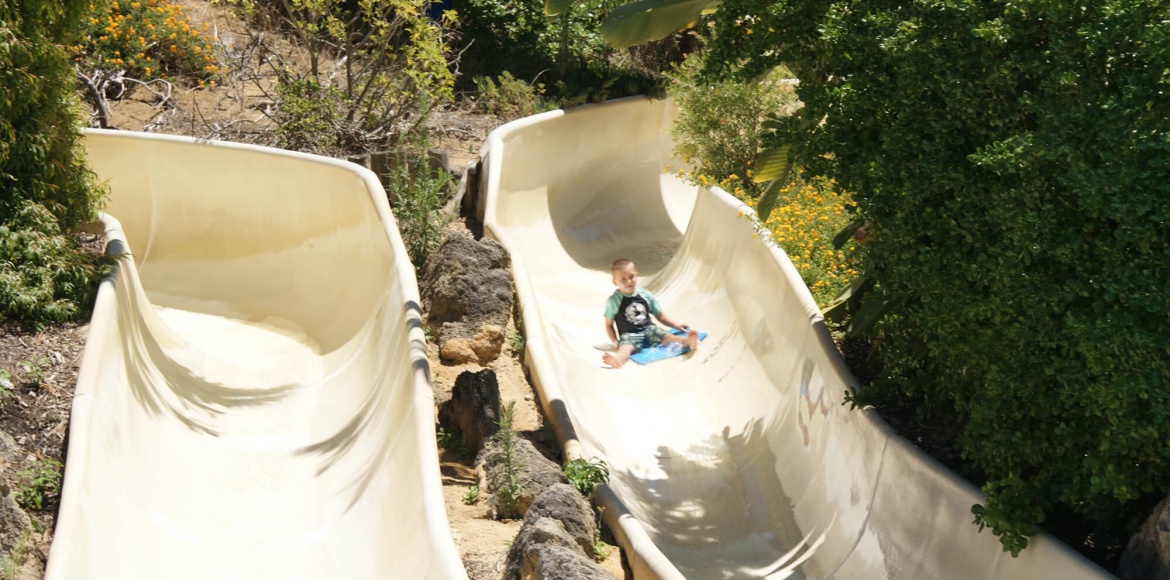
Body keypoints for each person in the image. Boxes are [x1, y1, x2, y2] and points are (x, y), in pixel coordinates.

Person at [602, 258, 699, 368]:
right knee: (625, 348)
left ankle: (688, 341)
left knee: (668, 337)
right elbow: (608, 325)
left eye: (631, 277)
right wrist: (615, 343)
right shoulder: (614, 301)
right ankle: (618, 360)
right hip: (630, 335)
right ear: (615, 282)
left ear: (636, 275)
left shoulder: (645, 294)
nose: (629, 281)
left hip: (649, 329)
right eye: (623, 279)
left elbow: (660, 315)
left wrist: (675, 325)